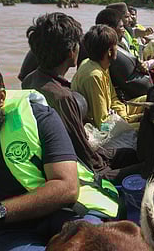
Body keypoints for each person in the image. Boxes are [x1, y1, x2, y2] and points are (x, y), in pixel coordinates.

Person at [0, 53, 119, 250]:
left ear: (0, 98)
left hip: (57, 210)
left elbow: (67, 187)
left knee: (93, 242)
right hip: (6, 232)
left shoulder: (38, 117)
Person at [22, 13, 142, 182]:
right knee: (149, 166)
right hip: (86, 169)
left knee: (129, 154)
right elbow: (85, 156)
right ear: (72, 52)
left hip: (62, 156)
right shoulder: (62, 97)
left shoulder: (30, 79)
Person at [71, 25, 145, 131]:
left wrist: (124, 117)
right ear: (110, 51)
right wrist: (134, 120)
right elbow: (102, 123)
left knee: (151, 98)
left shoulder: (102, 64)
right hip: (101, 128)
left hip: (115, 114)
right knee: (146, 127)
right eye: (116, 46)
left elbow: (113, 98)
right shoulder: (94, 76)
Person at [92, 8, 153, 101]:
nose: (124, 30)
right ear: (110, 30)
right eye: (121, 27)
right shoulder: (108, 53)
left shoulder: (122, 40)